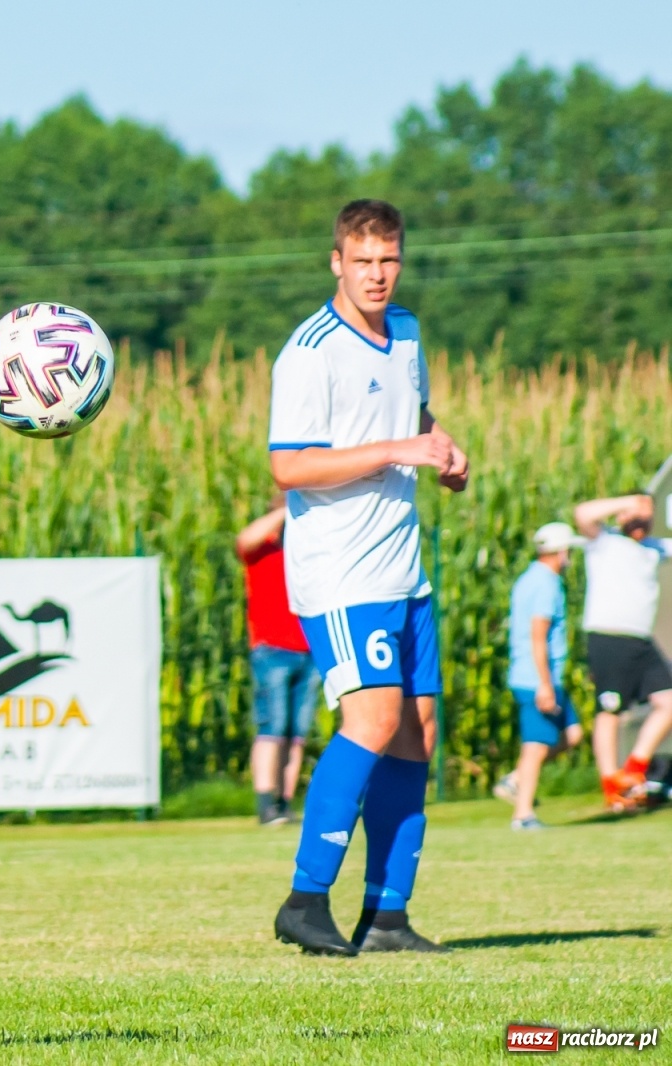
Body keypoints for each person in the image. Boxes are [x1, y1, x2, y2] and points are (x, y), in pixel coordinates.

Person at [266, 199, 470, 957]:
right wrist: (396, 449)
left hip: (402, 568)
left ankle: (387, 916)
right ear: (336, 263)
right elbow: (290, 466)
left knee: (415, 738)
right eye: (363, 261)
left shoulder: (407, 330)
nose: (377, 275)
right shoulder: (309, 352)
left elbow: (414, 413)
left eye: (388, 260)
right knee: (374, 720)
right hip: (341, 572)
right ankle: (305, 898)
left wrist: (440, 448)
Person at [574, 492, 672, 812]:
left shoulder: (654, 549)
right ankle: (610, 783)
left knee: (668, 703)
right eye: (636, 515)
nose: (642, 520)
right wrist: (630, 502)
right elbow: (583, 512)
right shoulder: (604, 542)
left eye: (648, 515)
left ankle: (634, 768)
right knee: (611, 709)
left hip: (641, 641)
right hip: (609, 637)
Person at [235, 496, 322, 826]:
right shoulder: (264, 550)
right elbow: (244, 539)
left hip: (309, 651)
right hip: (273, 651)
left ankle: (285, 802)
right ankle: (265, 802)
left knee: (296, 733)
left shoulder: (309, 553)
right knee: (273, 726)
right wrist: (289, 505)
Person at [494, 522, 586, 828]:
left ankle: (516, 779)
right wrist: (545, 684)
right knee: (535, 746)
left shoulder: (528, 578)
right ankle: (523, 815)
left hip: (543, 677)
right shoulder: (546, 584)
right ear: (559, 552)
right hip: (537, 679)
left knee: (572, 735)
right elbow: (538, 636)